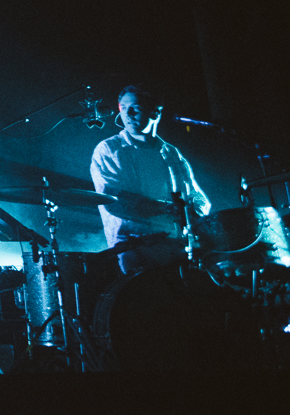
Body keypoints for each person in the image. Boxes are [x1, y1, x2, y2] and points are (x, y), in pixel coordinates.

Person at [90, 83, 211, 274]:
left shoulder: (171, 153)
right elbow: (113, 201)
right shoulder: (109, 150)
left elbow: (199, 199)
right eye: (123, 108)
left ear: (155, 113)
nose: (127, 114)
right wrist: (166, 208)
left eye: (135, 108)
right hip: (134, 249)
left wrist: (192, 211)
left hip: (178, 247)